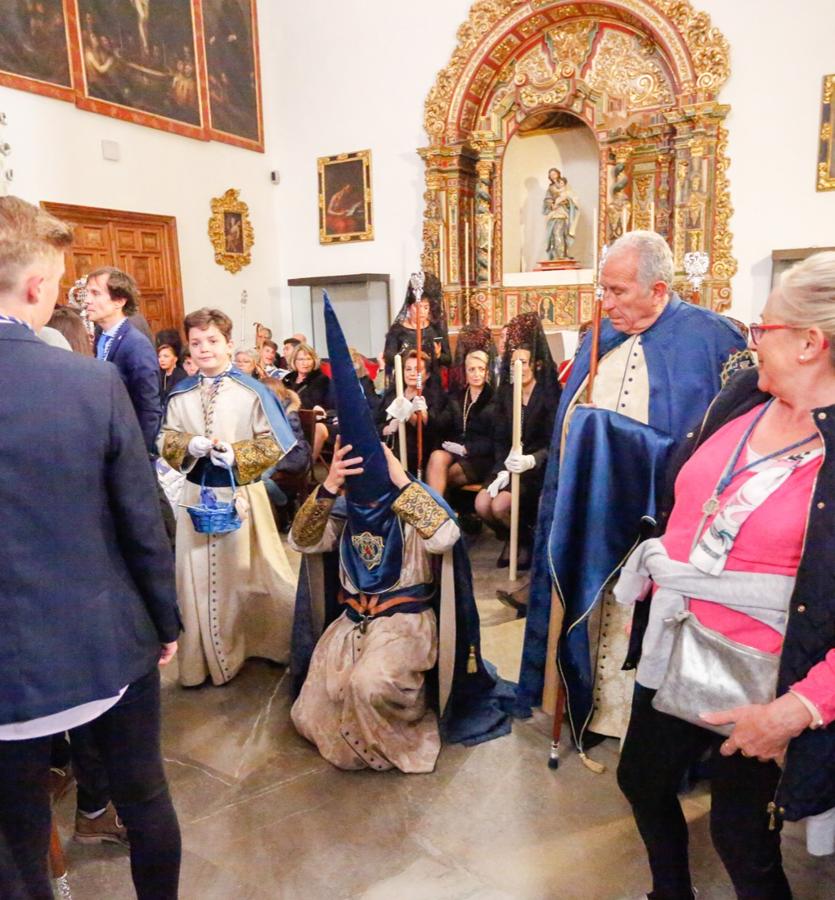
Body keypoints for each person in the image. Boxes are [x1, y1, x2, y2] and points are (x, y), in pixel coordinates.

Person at [614, 250, 835, 899]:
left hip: (761, 677)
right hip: (676, 640)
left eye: (762, 329)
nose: (749, 340)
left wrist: (795, 710)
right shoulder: (742, 393)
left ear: (808, 342)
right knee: (641, 779)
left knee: (741, 838)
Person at [0, 196, 182, 899]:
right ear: (40, 286)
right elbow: (140, 518)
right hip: (101, 647)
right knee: (146, 798)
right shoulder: (88, 381)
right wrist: (164, 622)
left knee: (14, 836)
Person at [515, 231, 751, 762]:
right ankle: (587, 708)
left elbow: (728, 444)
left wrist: (623, 445)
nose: (608, 303)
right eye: (604, 290)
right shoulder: (598, 336)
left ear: (658, 288)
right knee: (592, 616)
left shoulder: (714, 341)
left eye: (619, 291)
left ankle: (636, 722)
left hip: (662, 526)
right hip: (593, 514)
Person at [289, 294, 511, 773]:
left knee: (371, 684)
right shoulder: (344, 510)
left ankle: (395, 740)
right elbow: (304, 541)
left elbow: (446, 536)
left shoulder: (409, 506)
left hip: (403, 623)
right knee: (318, 699)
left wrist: (401, 482)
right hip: (352, 623)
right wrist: (328, 487)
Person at [158, 307, 298, 687]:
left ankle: (251, 646)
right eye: (196, 343)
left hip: (241, 496)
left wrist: (237, 454)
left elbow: (276, 444)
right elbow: (165, 438)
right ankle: (202, 660)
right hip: (195, 496)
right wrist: (190, 444)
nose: (204, 349)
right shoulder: (181, 392)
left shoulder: (250, 390)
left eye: (212, 341)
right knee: (195, 580)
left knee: (244, 576)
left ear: (228, 343)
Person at [475, 313, 559, 569]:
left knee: (500, 506)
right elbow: (500, 439)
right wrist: (501, 470)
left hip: (536, 469)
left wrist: (531, 460)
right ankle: (511, 537)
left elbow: (552, 443)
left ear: (537, 364)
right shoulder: (507, 395)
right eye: (514, 363)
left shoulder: (548, 397)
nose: (519, 368)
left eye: (524, 362)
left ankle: (522, 541)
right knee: (481, 505)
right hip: (507, 466)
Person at [85, 266, 161, 454]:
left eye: (95, 293)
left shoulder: (136, 344)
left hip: (131, 448)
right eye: (86, 293)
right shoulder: (100, 334)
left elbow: (149, 408)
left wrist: (141, 454)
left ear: (119, 300)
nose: (87, 300)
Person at [427, 349, 494, 497]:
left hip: (481, 457)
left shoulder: (494, 398)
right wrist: (425, 413)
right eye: (471, 369)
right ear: (465, 372)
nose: (476, 374)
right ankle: (438, 515)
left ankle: (438, 513)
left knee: (444, 476)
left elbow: (495, 439)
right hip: (456, 450)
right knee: (437, 456)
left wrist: (467, 449)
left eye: (481, 369)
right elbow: (440, 424)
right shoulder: (457, 397)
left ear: (487, 371)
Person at [378, 349, 447, 476]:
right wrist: (387, 428)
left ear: (427, 375)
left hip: (415, 456)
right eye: (408, 369)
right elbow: (376, 422)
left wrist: (411, 415)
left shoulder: (433, 398)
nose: (412, 373)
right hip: (387, 450)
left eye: (417, 370)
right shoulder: (392, 394)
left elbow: (433, 433)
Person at [383, 272, 451, 378]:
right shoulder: (397, 330)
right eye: (417, 307)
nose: (422, 311)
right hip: (407, 379)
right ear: (409, 307)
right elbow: (390, 357)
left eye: (426, 307)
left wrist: (438, 356)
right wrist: (409, 359)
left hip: (431, 380)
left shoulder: (436, 329)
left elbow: (448, 359)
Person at [282, 342, 333, 464]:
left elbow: (314, 403)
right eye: (300, 359)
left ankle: (304, 469)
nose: (305, 363)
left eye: (308, 359)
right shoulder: (287, 379)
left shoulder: (321, 380)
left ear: (314, 360)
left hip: (311, 420)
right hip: (287, 419)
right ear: (294, 361)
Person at [543, 169, 579, 261]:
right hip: (554, 214)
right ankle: (558, 254)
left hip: (563, 213)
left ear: (558, 174)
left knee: (561, 233)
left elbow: (571, 198)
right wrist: (551, 205)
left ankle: (561, 254)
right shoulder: (550, 188)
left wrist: (565, 202)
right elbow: (547, 200)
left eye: (554, 173)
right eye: (551, 174)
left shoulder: (565, 186)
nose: (553, 175)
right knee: (554, 233)